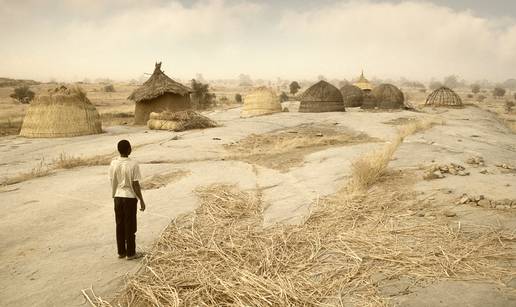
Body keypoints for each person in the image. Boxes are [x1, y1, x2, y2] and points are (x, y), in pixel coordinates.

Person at [108, 139, 146, 260]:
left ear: (119, 150)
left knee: (119, 225)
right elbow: (135, 184)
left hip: (118, 197)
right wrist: (141, 199)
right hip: (129, 197)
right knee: (130, 226)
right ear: (129, 149)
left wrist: (114, 193)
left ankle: (121, 252)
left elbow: (112, 180)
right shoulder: (133, 164)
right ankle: (130, 253)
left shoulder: (113, 163)